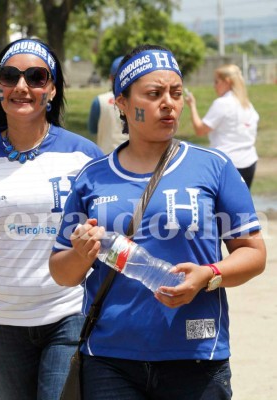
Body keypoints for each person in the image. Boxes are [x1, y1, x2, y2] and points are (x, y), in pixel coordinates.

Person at [49, 44, 266, 400]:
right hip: (110, 358)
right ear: (121, 103)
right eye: (153, 94)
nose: (169, 103)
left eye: (176, 93)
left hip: (196, 354)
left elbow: (253, 254)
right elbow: (62, 273)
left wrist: (209, 276)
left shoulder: (214, 167)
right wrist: (82, 252)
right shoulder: (92, 178)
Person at [0, 38, 103, 400]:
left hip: (69, 314)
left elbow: (103, 236)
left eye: (36, 77)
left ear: (52, 89)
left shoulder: (84, 155)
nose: (22, 86)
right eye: (11, 76)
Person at [185, 64, 259, 189]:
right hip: (249, 162)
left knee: (222, 207)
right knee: (242, 205)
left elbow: (200, 130)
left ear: (227, 82)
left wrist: (192, 106)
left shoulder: (222, 103)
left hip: (227, 164)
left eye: (216, 82)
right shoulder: (248, 105)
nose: (214, 86)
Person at [87, 56, 127, 154]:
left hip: (105, 157)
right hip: (134, 159)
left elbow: (92, 129)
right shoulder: (141, 101)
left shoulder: (99, 101)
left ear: (111, 78)